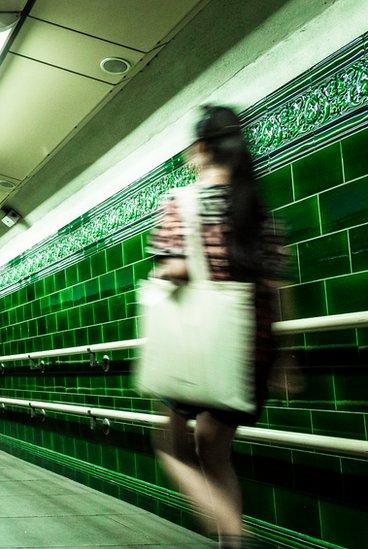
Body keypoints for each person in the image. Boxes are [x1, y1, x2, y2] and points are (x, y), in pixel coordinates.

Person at [147, 106, 284, 549]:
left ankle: (234, 531)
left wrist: (161, 276)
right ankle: (232, 541)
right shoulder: (257, 207)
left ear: (201, 148)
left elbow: (178, 270)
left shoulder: (183, 201)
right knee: (215, 452)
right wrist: (288, 356)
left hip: (202, 346)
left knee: (169, 444)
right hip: (253, 350)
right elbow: (275, 283)